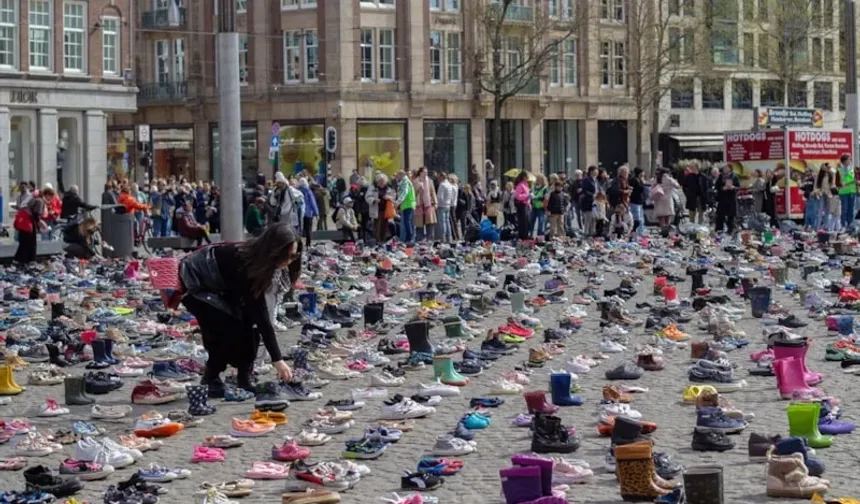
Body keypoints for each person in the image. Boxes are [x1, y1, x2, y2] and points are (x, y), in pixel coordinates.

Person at [179, 223, 299, 395]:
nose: (288, 262)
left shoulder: (261, 263)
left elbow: (258, 316)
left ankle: (244, 378)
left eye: (293, 256)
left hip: (223, 283)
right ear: (272, 251)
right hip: (195, 281)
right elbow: (261, 315)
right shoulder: (247, 264)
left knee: (248, 326)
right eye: (285, 256)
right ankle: (211, 378)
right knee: (225, 328)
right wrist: (278, 360)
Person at [14, 189, 49, 263]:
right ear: (46, 195)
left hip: (23, 223)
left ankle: (18, 260)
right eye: (50, 197)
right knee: (29, 243)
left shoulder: (34, 199)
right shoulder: (40, 201)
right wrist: (40, 225)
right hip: (27, 224)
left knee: (23, 243)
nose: (50, 199)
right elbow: (37, 214)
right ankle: (27, 261)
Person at [413, 167, 438, 242]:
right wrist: (418, 187)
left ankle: (430, 240)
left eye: (426, 172)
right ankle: (419, 240)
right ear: (420, 173)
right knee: (419, 224)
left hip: (428, 204)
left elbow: (433, 192)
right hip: (419, 204)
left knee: (430, 223)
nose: (425, 174)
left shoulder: (430, 181)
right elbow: (413, 193)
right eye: (424, 172)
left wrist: (436, 202)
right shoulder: (416, 181)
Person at [715, 165, 741, 235]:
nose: (725, 169)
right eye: (724, 168)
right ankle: (719, 230)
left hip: (731, 198)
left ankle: (730, 230)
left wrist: (733, 187)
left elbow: (738, 187)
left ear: (730, 169)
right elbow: (717, 186)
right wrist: (722, 188)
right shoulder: (720, 176)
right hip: (722, 198)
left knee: (731, 215)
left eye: (726, 168)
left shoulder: (734, 176)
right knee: (720, 215)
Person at [394, 171, 417, 244]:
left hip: (407, 204)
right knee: (408, 222)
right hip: (409, 204)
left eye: (398, 176)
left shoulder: (405, 182)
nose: (397, 177)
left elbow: (404, 193)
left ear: (401, 175)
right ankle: (409, 237)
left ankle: (408, 238)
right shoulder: (407, 182)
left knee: (407, 222)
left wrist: (398, 202)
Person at [436, 174, 458, 243]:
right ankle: (449, 237)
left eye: (439, 177)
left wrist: (437, 203)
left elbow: (440, 197)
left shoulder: (442, 185)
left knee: (443, 222)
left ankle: (443, 238)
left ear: (442, 177)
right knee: (447, 221)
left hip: (442, 205)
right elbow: (451, 196)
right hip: (448, 205)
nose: (438, 179)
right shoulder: (450, 185)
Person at [297, 178, 318, 247]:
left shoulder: (297, 190)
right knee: (308, 229)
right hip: (308, 213)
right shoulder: (308, 191)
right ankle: (308, 244)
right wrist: (316, 213)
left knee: (299, 229)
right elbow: (313, 202)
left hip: (299, 213)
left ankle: (299, 245)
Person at [838, 154, 856, 229]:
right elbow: (840, 182)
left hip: (852, 192)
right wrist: (850, 181)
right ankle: (843, 225)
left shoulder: (853, 169)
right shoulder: (839, 170)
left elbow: (854, 180)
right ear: (844, 161)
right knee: (844, 210)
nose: (850, 161)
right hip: (843, 192)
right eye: (849, 159)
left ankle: (850, 225)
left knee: (851, 210)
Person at [579, 166, 598, 236]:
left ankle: (592, 232)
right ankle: (586, 233)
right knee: (588, 218)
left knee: (594, 218)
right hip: (588, 201)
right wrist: (592, 195)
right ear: (591, 171)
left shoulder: (595, 180)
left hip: (595, 202)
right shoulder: (586, 179)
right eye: (595, 170)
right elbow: (584, 190)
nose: (597, 172)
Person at [513, 172, 531, 240]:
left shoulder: (526, 185)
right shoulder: (520, 185)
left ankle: (525, 236)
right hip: (521, 205)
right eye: (527, 177)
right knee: (522, 222)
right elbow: (518, 196)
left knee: (526, 221)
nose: (528, 178)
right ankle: (522, 236)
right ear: (523, 177)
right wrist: (527, 195)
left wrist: (529, 204)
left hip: (526, 205)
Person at [629, 168, 646, 237]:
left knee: (641, 217)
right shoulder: (635, 180)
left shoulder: (639, 180)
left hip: (639, 201)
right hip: (635, 201)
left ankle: (641, 231)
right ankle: (636, 232)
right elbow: (639, 189)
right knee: (637, 217)